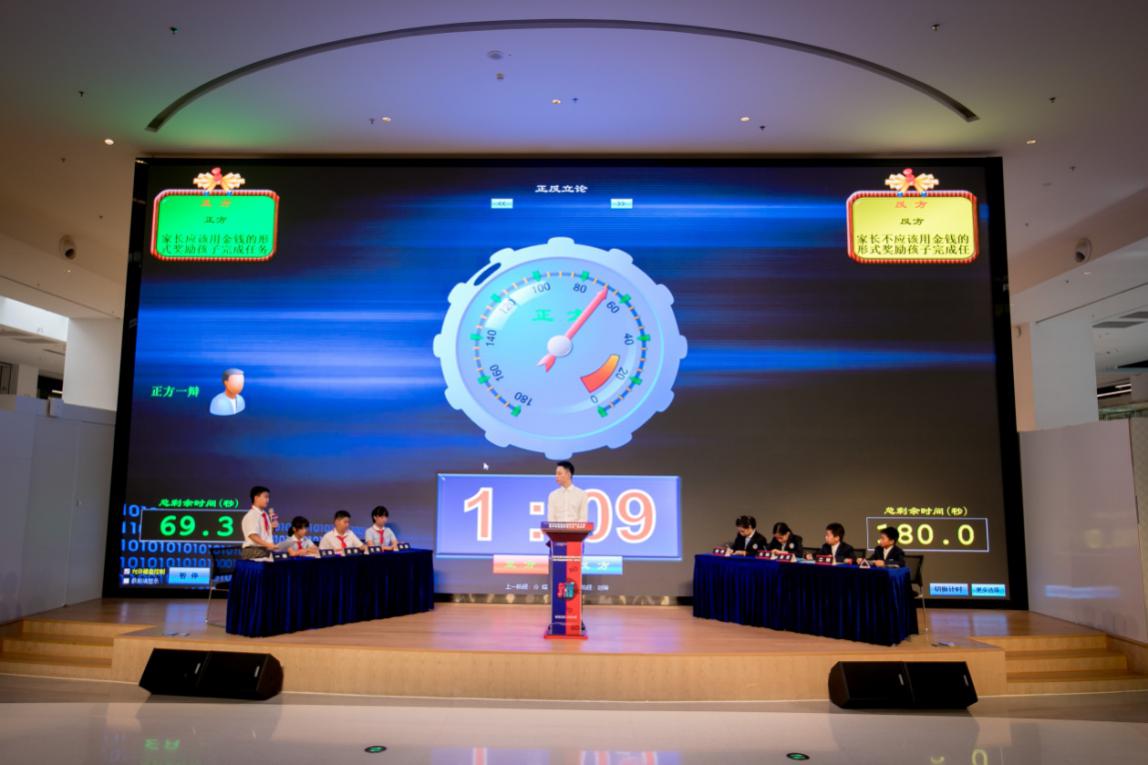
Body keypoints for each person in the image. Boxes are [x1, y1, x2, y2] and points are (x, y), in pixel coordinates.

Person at [240, 485, 278, 559]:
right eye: (265, 497)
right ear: (256, 498)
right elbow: (253, 535)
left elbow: (266, 535)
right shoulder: (252, 515)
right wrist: (269, 545)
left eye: (268, 497)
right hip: (253, 550)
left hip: (264, 549)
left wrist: (273, 528)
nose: (268, 500)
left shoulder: (265, 515)